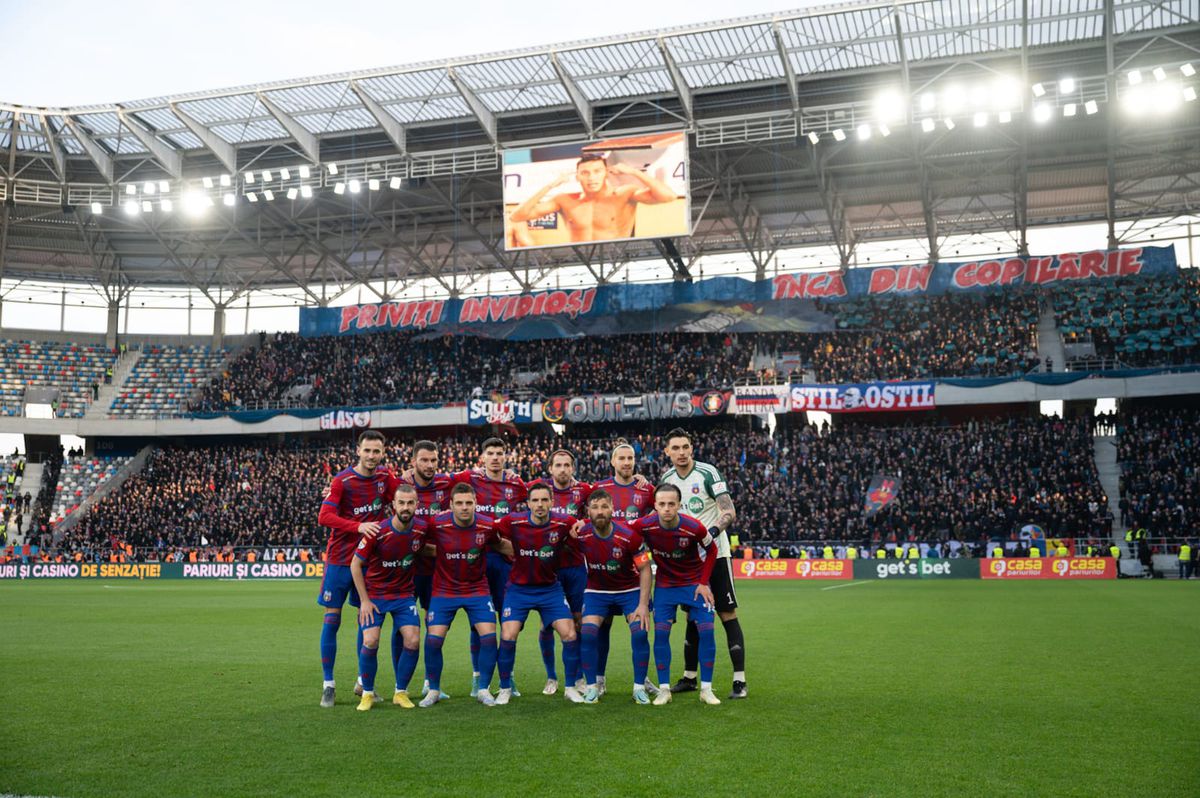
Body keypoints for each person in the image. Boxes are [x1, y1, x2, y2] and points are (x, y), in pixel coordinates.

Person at [659, 428, 746, 700]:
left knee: (726, 614)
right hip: (687, 562)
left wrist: (712, 534)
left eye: (686, 447)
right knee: (692, 616)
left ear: (692, 448)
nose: (682, 452)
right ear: (667, 452)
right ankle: (689, 677)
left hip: (716, 555)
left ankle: (739, 681)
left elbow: (728, 510)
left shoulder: (708, 473)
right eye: (676, 448)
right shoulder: (667, 478)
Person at [315, 430, 399, 708]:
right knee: (332, 619)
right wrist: (358, 526)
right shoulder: (343, 480)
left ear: (382, 452)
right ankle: (328, 684)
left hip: (367, 561)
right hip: (340, 559)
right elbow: (324, 516)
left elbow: (402, 496)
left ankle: (364, 682)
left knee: (367, 619)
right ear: (358, 451)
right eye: (368, 451)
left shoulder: (385, 478)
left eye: (377, 451)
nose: (372, 456)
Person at [420, 483, 513, 708]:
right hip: (444, 590)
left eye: (469, 503)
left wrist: (529, 553)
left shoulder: (487, 525)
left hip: (477, 590)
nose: (464, 508)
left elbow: (500, 545)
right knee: (433, 640)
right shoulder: (437, 524)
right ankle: (433, 690)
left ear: (475, 504)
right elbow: (418, 545)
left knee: (490, 637)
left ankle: (483, 689)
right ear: (450, 505)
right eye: (459, 503)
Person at [449, 437, 528, 696]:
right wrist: (406, 473)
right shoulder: (469, 478)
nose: (495, 457)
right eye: (490, 453)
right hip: (478, 559)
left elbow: (546, 493)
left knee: (508, 622)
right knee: (479, 622)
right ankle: (477, 678)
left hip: (505, 561)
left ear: (506, 456)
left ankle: (509, 677)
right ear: (482, 456)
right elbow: (435, 480)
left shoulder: (516, 484)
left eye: (499, 453)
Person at [492, 484, 583, 705]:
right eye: (535, 500)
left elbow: (583, 529)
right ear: (528, 503)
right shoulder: (513, 521)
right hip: (518, 589)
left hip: (550, 588)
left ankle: (570, 687)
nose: (540, 505)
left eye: (544, 500)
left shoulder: (563, 522)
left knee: (570, 634)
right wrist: (505, 546)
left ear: (552, 501)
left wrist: (582, 526)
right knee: (508, 635)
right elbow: (488, 530)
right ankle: (505, 688)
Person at [631, 484, 721, 706]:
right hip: (665, 585)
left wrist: (703, 583)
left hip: (694, 584)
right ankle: (664, 690)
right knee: (661, 634)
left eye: (672, 504)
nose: (667, 508)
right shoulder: (645, 525)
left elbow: (713, 551)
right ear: (655, 505)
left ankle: (706, 690)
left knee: (707, 631)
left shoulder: (694, 527)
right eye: (662, 504)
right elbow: (623, 533)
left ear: (679, 505)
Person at [573, 489, 654, 704]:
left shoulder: (630, 535)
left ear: (612, 509)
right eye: (595, 507)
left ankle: (638, 688)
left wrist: (643, 604)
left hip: (629, 591)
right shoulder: (581, 534)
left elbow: (646, 568)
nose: (600, 512)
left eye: (604, 507)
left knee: (639, 632)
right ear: (588, 511)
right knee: (588, 633)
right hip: (597, 592)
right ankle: (592, 687)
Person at [350, 486, 426, 710]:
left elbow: (429, 549)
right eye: (401, 503)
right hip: (376, 596)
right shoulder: (377, 532)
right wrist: (364, 601)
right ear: (393, 505)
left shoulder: (422, 529)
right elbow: (355, 564)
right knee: (370, 640)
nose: (405, 507)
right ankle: (367, 693)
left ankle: (400, 692)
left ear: (417, 505)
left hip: (403, 595)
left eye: (410, 503)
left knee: (412, 639)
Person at [590, 440, 656, 695]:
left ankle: (642, 679)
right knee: (602, 626)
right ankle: (599, 679)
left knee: (640, 626)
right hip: (603, 570)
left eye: (630, 458)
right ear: (612, 462)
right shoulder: (600, 488)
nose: (627, 462)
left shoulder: (646, 489)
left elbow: (662, 509)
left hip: (634, 570)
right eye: (622, 458)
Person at [509, 154, 676, 243]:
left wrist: (633, 172)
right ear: (578, 177)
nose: (591, 178)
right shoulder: (565, 201)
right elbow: (516, 216)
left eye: (597, 171)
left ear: (606, 173)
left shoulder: (624, 194)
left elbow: (668, 196)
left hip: (617, 258)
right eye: (585, 173)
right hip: (579, 261)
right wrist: (550, 186)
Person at [408, 440, 454, 699]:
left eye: (433, 460)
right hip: (407, 569)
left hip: (436, 570)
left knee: (433, 626)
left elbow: (476, 478)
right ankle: (400, 686)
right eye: (424, 460)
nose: (429, 465)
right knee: (404, 626)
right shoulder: (399, 485)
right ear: (413, 462)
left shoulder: (446, 484)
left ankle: (430, 684)